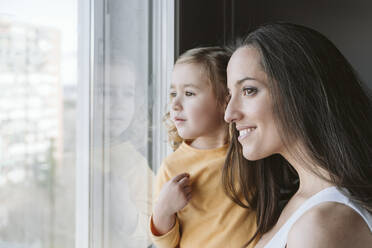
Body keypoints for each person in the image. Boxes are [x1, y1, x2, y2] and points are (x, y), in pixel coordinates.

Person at [223, 22, 372, 248]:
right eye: (230, 95)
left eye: (249, 90)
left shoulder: (320, 225)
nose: (229, 114)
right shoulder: (302, 203)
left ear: (301, 91)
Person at [149, 47, 257, 247]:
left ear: (226, 101)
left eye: (189, 93)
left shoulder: (252, 152)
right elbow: (167, 244)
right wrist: (163, 210)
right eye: (173, 93)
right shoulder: (172, 168)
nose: (175, 104)